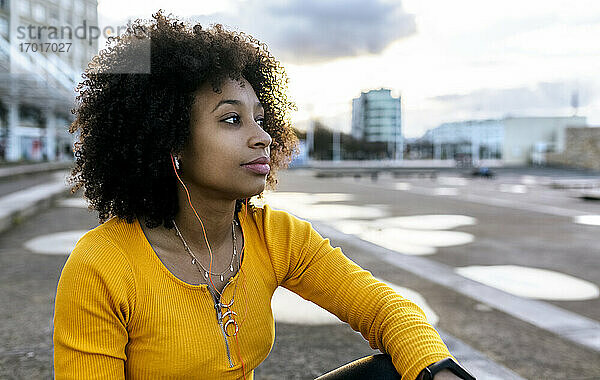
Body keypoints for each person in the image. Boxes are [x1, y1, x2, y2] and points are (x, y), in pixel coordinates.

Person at [53, 10, 474, 380]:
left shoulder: (274, 235)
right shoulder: (101, 266)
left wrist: (436, 370)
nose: (263, 137)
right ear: (171, 140)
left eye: (260, 117)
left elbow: (386, 308)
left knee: (402, 371)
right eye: (232, 119)